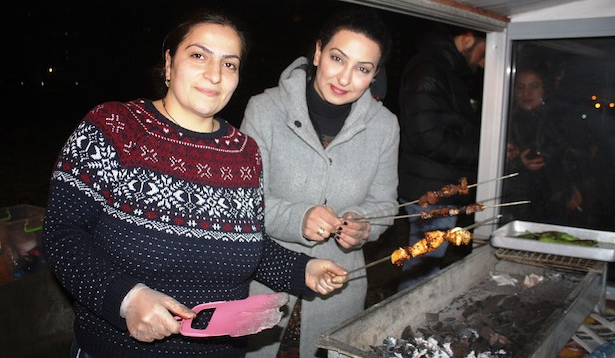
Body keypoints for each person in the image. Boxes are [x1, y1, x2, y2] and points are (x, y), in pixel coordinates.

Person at [41, 8, 349, 358]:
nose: (214, 74)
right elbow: (62, 234)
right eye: (199, 55)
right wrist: (125, 299)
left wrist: (301, 269)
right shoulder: (115, 127)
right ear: (169, 63)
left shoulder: (244, 152)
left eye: (229, 64)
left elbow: (244, 244)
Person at [240, 7, 399, 358]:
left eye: (362, 69)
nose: (344, 78)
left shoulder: (384, 127)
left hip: (338, 290)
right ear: (317, 53)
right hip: (265, 285)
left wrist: (364, 224)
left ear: (374, 75)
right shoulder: (264, 110)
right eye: (337, 58)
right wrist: (298, 217)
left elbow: (387, 204)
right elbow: (243, 204)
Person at [396, 24, 486, 291]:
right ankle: (403, 324)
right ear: (468, 39)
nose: (483, 62)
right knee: (421, 271)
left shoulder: (447, 70)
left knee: (426, 267)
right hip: (429, 188)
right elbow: (427, 136)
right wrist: (482, 151)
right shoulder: (430, 69)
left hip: (437, 183)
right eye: (483, 51)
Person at [502, 65, 590, 227]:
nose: (526, 94)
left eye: (534, 86)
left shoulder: (559, 118)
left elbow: (572, 156)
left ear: (545, 88)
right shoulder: (503, 119)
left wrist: (572, 187)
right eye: (520, 87)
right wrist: (517, 162)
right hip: (515, 203)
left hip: (553, 202)